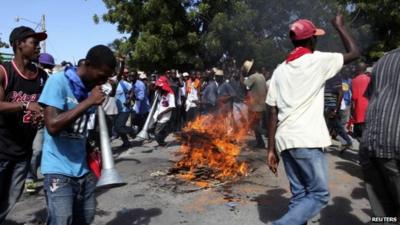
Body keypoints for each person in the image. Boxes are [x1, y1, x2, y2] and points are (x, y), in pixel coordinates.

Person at [266, 15, 359, 225]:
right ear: (311, 41)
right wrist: (339, 27)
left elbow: (272, 111)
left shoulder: (279, 70)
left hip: (285, 141)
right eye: (315, 37)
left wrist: (271, 149)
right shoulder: (317, 60)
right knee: (319, 195)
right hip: (306, 139)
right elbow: (354, 53)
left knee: (300, 196)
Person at [39, 45, 116, 225]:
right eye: (101, 76)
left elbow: (83, 129)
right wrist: (89, 102)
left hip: (83, 170)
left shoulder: (89, 89)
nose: (102, 82)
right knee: (62, 221)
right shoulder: (58, 82)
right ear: (87, 65)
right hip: (58, 170)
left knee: (85, 219)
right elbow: (52, 126)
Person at [0, 26, 47, 223]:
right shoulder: (4, 71)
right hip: (2, 148)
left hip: (23, 150)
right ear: (19, 44)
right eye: (34, 43)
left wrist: (41, 114)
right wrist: (26, 104)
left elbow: (43, 106)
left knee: (10, 200)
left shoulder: (42, 76)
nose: (39, 47)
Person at [359, 50, 400, 221]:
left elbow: (371, 95)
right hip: (395, 143)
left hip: (371, 142)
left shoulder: (385, 59)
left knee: (382, 212)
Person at [25, 52, 55, 193]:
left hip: (39, 122)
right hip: (18, 123)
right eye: (43, 65)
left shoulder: (46, 78)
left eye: (48, 66)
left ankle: (30, 178)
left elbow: (49, 99)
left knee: (37, 150)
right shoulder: (20, 75)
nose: (45, 68)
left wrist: (43, 112)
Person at [242, 59, 267, 149]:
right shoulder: (262, 76)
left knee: (253, 125)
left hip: (255, 106)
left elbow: (243, 85)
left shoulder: (252, 77)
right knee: (256, 124)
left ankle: (265, 133)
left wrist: (242, 75)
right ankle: (260, 143)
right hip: (261, 105)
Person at [114, 69, 136, 147]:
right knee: (117, 128)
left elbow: (132, 90)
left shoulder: (123, 83)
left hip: (124, 109)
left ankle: (132, 130)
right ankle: (126, 142)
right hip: (114, 110)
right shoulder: (109, 83)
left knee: (119, 127)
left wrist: (129, 99)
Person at [152, 76, 175, 146]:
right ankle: (162, 139)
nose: (159, 87)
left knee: (157, 132)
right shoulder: (158, 92)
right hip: (157, 114)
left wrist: (161, 113)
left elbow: (172, 106)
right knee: (155, 129)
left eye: (160, 86)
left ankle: (162, 143)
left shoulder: (170, 94)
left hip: (164, 116)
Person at [351, 63, 370, 139]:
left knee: (359, 122)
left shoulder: (354, 80)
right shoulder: (369, 79)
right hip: (369, 103)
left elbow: (353, 96)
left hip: (357, 104)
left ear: (358, 69)